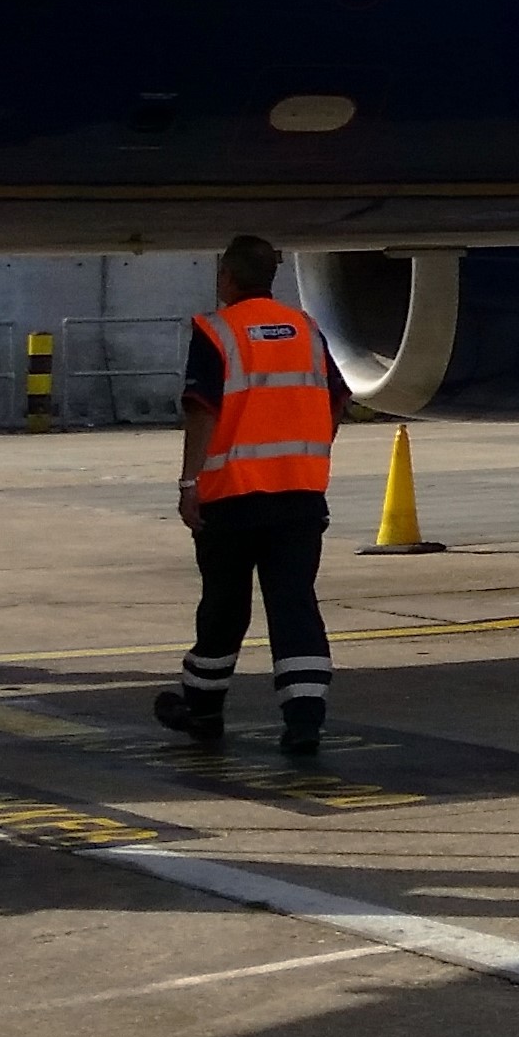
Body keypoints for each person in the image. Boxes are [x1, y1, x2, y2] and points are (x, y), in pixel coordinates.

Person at [158, 236, 343, 753]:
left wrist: (190, 482)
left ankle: (203, 710)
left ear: (226, 278)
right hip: (299, 497)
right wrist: (310, 455)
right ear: (271, 278)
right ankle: (304, 720)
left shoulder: (216, 332)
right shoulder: (306, 330)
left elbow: (202, 410)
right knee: (294, 603)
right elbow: (336, 400)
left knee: (224, 605)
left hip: (231, 499)